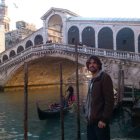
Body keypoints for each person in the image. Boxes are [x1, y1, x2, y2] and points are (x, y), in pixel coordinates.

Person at [85, 55, 114, 140]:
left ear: (98, 65)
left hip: (100, 122)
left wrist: (104, 119)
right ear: (88, 66)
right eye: (90, 63)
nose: (92, 65)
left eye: (94, 63)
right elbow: (89, 100)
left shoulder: (105, 77)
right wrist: (87, 115)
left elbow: (109, 100)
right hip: (90, 121)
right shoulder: (91, 80)